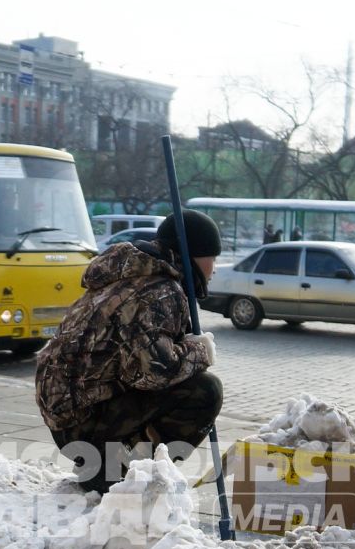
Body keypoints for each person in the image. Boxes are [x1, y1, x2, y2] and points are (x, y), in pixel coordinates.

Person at [35, 210, 224, 495]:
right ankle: (119, 474)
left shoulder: (129, 276)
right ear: (194, 256)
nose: (215, 267)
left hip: (66, 413)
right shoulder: (161, 290)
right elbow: (154, 373)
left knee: (183, 384)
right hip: (83, 423)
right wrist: (200, 352)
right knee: (205, 390)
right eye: (213, 257)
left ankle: (114, 463)